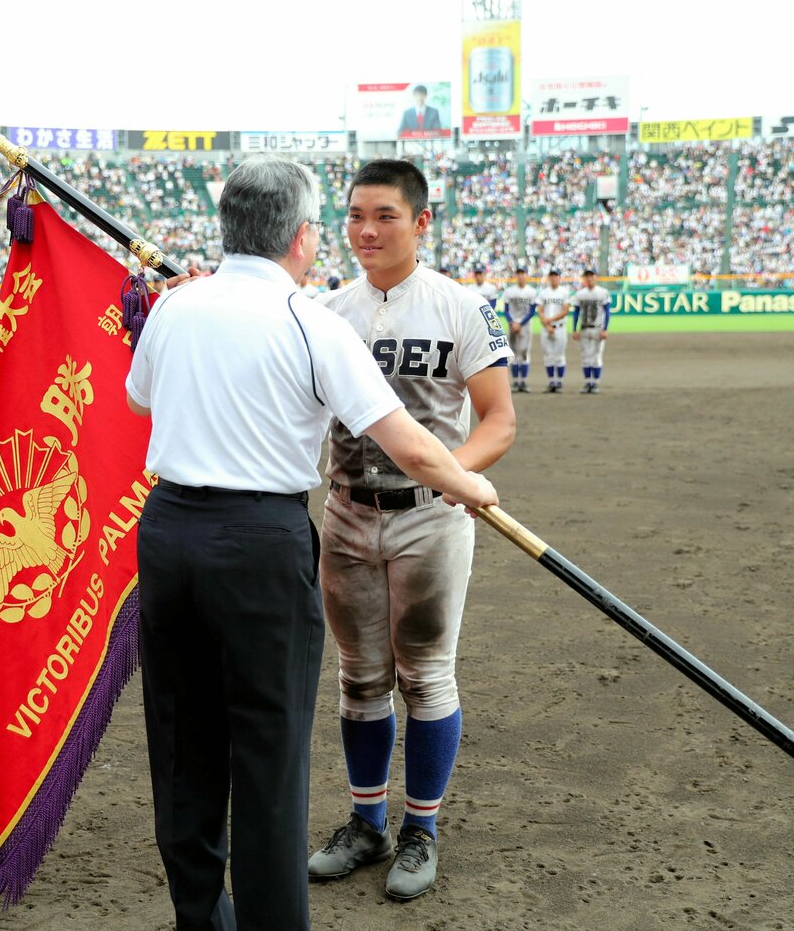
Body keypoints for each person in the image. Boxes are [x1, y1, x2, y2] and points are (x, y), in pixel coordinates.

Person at [125, 154, 497, 931]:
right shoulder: (313, 321)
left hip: (168, 535)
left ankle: (202, 917)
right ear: (301, 236)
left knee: (184, 739)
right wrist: (471, 485)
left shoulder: (175, 306)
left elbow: (140, 398)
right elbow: (411, 446)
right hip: (259, 542)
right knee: (269, 749)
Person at [309, 159, 515, 901]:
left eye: (385, 216)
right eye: (355, 216)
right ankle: (367, 824)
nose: (366, 231)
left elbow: (499, 421)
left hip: (432, 516)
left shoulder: (463, 308)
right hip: (345, 512)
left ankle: (420, 829)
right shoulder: (324, 312)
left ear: (422, 222)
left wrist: (451, 474)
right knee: (360, 677)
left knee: (426, 674)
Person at [569, 267, 611, 393]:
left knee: (596, 357)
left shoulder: (603, 292)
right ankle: (588, 382)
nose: (589, 278)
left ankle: (595, 383)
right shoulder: (580, 294)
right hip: (584, 328)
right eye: (587, 276)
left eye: (591, 275)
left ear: (595, 277)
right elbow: (576, 313)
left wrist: (605, 329)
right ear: (584, 278)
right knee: (585, 357)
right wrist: (574, 329)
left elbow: (607, 312)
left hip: (597, 328)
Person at [499, 267, 538, 393]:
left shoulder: (531, 292)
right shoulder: (509, 291)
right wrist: (512, 322)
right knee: (513, 353)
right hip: (512, 325)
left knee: (524, 353)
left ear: (526, 276)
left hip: (525, 326)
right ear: (516, 276)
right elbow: (505, 310)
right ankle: (516, 381)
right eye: (519, 274)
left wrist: (520, 323)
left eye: (523, 273)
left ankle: (523, 382)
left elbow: (532, 311)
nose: (521, 276)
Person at [535, 268, 572, 392]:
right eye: (552, 276)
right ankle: (552, 382)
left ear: (559, 278)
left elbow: (565, 311)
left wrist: (549, 321)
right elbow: (540, 310)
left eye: (556, 276)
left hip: (559, 328)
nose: (553, 278)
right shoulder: (543, 293)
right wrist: (547, 325)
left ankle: (559, 382)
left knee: (559, 356)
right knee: (548, 356)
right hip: (546, 328)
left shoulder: (564, 292)